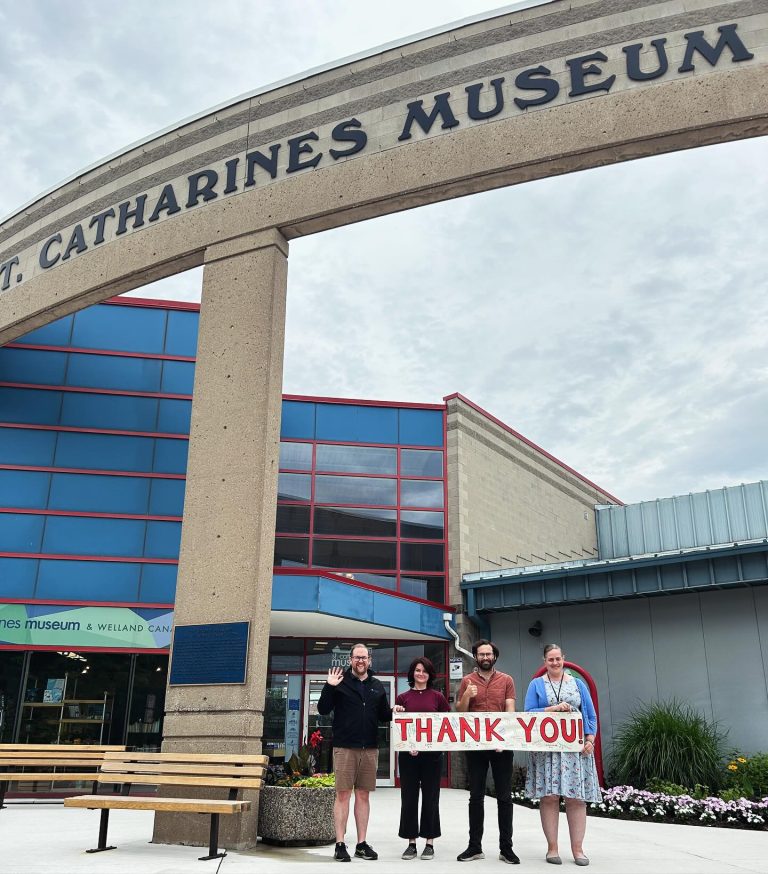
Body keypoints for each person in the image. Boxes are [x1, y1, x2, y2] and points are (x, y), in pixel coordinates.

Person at [524, 643, 600, 867]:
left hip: (575, 752)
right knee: (549, 797)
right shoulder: (536, 685)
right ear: (544, 661)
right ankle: (552, 848)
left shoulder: (578, 684)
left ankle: (578, 849)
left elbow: (590, 713)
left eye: (558, 659)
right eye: (550, 659)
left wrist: (590, 739)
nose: (555, 663)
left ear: (563, 659)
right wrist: (552, 709)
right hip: (548, 751)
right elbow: (528, 713)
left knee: (576, 799)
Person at [317, 642, 392, 863]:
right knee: (342, 795)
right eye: (357, 657)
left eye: (364, 657)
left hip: (369, 748)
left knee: (363, 795)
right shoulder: (340, 682)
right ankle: (340, 844)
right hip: (345, 748)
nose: (361, 661)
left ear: (369, 660)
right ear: (350, 660)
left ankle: (361, 843)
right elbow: (322, 709)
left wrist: (395, 710)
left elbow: (383, 715)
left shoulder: (377, 685)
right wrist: (329, 686)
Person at [456, 639, 519, 864]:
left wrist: (505, 736)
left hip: (501, 745)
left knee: (504, 797)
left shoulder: (506, 680)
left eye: (488, 654)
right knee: (476, 797)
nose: (485, 657)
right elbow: (461, 713)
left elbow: (510, 710)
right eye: (481, 654)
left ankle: (506, 848)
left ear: (494, 656)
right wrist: (467, 696)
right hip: (476, 747)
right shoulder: (466, 681)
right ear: (475, 656)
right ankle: (475, 847)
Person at [392, 657, 450, 860]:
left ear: (429, 674)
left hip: (432, 757)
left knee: (431, 798)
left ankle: (429, 842)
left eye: (424, 671)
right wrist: (396, 711)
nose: (421, 674)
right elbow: (399, 727)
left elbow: (445, 726)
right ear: (412, 673)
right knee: (409, 798)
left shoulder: (438, 697)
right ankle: (411, 842)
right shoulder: (402, 698)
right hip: (408, 757)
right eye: (417, 670)